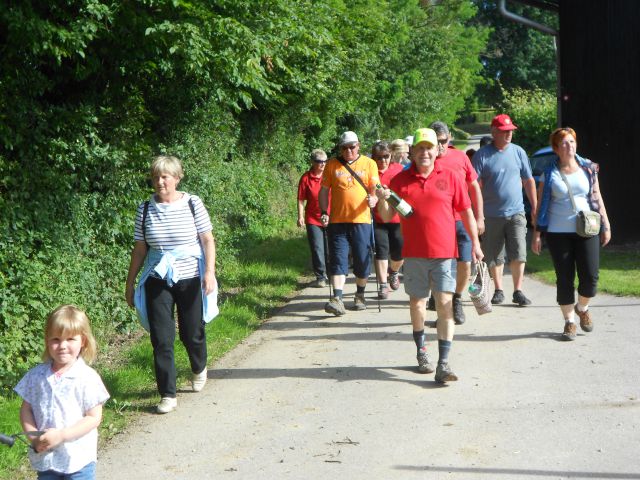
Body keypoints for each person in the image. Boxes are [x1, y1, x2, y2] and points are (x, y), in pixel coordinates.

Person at [376, 128, 483, 383]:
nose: (425, 152)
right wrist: (381, 198)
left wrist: (476, 243)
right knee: (418, 303)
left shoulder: (451, 176)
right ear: (412, 152)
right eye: (421, 148)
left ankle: (443, 363)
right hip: (413, 254)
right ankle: (422, 351)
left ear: (438, 150)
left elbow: (466, 212)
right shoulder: (400, 181)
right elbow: (388, 216)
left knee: (445, 303)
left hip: (445, 253)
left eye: (430, 148)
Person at [125, 155, 217, 414]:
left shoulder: (192, 203)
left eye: (165, 176)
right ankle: (167, 393)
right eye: (155, 177)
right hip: (157, 278)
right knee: (162, 338)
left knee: (191, 332)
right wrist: (130, 283)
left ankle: (198, 367)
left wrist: (209, 272)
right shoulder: (144, 209)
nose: (160, 181)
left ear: (177, 178)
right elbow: (140, 249)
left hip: (190, 277)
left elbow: (207, 240)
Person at [532, 127, 611, 340]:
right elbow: (540, 206)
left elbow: (597, 196)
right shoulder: (549, 173)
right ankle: (569, 322)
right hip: (558, 232)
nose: (570, 146)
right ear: (556, 148)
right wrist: (537, 234)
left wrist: (606, 224)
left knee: (591, 276)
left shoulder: (587, 168)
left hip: (587, 229)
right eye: (565, 143)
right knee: (564, 278)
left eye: (572, 142)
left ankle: (582, 308)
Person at [14, 305, 110, 479]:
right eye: (56, 339)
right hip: (47, 459)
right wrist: (33, 438)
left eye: (70, 339)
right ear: (47, 341)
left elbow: (93, 417)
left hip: (78, 459)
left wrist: (62, 435)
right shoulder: (36, 376)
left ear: (83, 341)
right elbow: (26, 409)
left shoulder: (87, 377)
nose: (62, 346)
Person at [472, 114, 537, 307]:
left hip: (517, 212)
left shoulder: (518, 152)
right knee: (494, 255)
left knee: (519, 253)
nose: (508, 134)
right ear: (494, 132)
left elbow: (528, 180)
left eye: (510, 131)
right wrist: (478, 215)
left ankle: (518, 291)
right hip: (491, 215)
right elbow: (473, 185)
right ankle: (499, 290)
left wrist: (534, 207)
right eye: (504, 131)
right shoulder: (482, 155)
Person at [425, 121, 485, 325]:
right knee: (437, 267)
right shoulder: (425, 159)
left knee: (465, 264)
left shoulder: (459, 157)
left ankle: (457, 299)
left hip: (461, 220)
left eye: (443, 141)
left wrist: (479, 217)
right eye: (437, 142)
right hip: (437, 223)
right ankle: (442, 305)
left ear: (449, 137)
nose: (440, 146)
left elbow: (474, 186)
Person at [319, 131, 380, 315]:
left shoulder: (370, 164)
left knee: (362, 259)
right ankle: (337, 298)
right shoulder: (331, 165)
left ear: (358, 145)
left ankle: (359, 294)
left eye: (352, 147)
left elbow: (374, 188)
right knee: (338, 258)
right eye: (344, 148)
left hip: (361, 221)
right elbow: (323, 191)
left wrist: (373, 200)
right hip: (337, 221)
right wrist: (324, 211)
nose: (348, 151)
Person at [371, 141, 404, 299]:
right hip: (378, 219)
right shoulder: (370, 171)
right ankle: (383, 285)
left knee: (399, 252)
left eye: (386, 157)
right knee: (381, 251)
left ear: (391, 156)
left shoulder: (398, 169)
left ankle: (394, 271)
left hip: (398, 218)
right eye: (379, 157)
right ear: (374, 157)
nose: (383, 160)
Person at [297, 149, 330, 288]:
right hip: (312, 218)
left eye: (324, 161)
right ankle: (321, 276)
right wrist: (300, 217)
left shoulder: (329, 176)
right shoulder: (306, 178)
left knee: (330, 248)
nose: (322, 164)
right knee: (317, 248)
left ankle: (333, 273)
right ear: (312, 162)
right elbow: (300, 199)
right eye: (319, 161)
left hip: (330, 216)